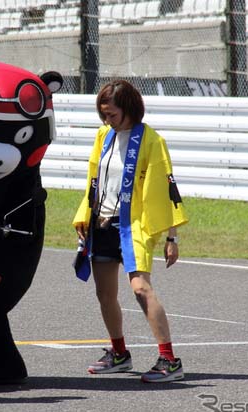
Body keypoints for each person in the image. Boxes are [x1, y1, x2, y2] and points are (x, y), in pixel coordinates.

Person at [72, 80, 188, 383]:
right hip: (102, 223)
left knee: (140, 289)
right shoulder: (103, 135)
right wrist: (85, 216)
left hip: (134, 224)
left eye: (112, 115)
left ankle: (169, 359)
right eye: (104, 115)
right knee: (105, 294)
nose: (107, 121)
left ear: (129, 109)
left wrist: (171, 237)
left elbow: (167, 190)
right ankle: (119, 353)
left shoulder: (151, 141)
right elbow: (93, 180)